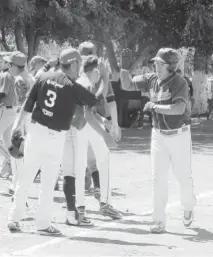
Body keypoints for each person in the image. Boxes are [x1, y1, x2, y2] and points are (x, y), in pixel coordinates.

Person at [8, 48, 100, 236]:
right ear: (73, 64)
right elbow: (94, 101)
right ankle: (42, 224)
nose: (79, 68)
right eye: (78, 65)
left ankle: (14, 219)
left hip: (36, 131)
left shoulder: (43, 76)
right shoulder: (73, 86)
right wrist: (100, 79)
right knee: (48, 182)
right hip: (56, 137)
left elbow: (28, 104)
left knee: (26, 177)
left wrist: (17, 127)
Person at [120, 48, 196, 233]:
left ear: (171, 66)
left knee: (183, 177)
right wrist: (124, 68)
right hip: (158, 135)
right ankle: (159, 220)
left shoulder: (180, 82)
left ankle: (188, 206)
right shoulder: (151, 79)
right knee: (158, 179)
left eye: (160, 64)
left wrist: (154, 106)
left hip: (179, 135)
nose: (156, 66)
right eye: (156, 63)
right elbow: (127, 85)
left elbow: (178, 109)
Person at [62, 55, 122, 226]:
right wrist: (105, 135)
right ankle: (104, 201)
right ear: (94, 70)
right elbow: (92, 107)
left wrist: (105, 121)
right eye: (100, 71)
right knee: (103, 159)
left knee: (80, 167)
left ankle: (80, 207)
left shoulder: (82, 80)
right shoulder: (87, 82)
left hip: (76, 126)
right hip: (83, 125)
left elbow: (91, 108)